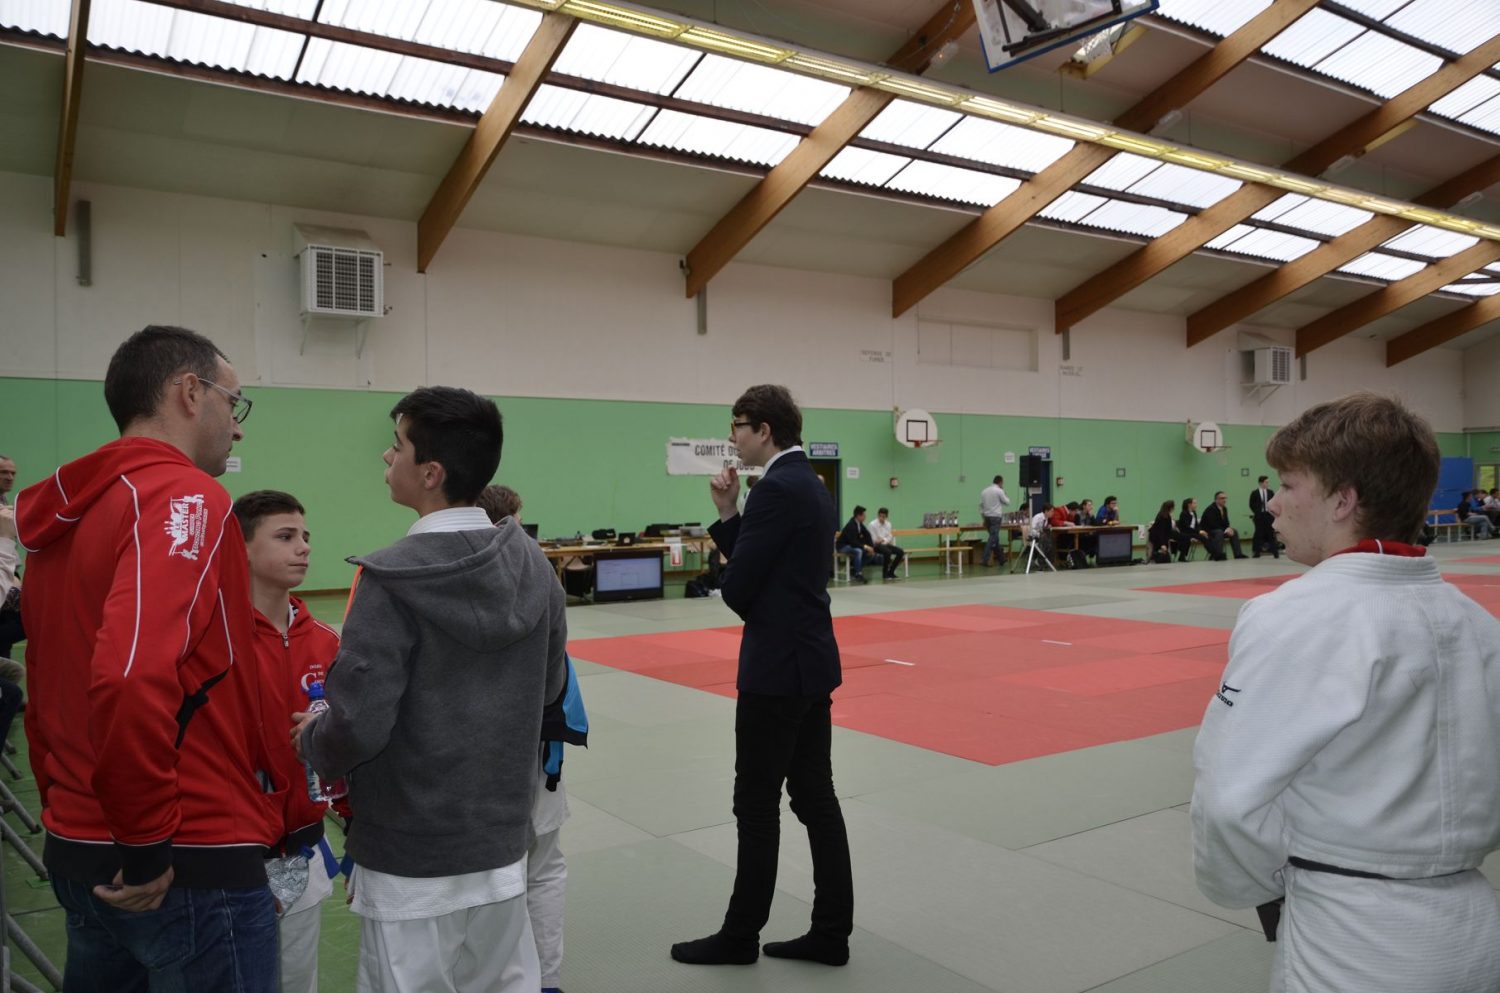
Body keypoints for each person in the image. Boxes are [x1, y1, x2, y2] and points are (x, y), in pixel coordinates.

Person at [1193, 393, 1500, 993]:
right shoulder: (1478, 624)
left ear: (1343, 501)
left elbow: (1228, 802)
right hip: (1474, 928)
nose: (1273, 503)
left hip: (1353, 936)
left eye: (1288, 485)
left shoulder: (1293, 616)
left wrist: (1256, 890)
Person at [15, 325, 281, 992]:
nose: (237, 426)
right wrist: (143, 842)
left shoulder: (64, 516)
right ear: (190, 392)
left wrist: (72, 816)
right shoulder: (183, 496)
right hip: (179, 854)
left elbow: (47, 686)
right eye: (234, 403)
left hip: (80, 842)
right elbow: (131, 676)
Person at [294, 386, 566, 993]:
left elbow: (359, 724)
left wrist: (314, 739)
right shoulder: (535, 567)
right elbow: (550, 688)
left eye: (397, 446)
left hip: (410, 857)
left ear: (431, 472)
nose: (386, 457)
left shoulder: (389, 579)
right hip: (501, 845)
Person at [672, 385, 853, 968]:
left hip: (776, 670)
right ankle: (831, 932)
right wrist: (730, 514)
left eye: (738, 426)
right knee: (815, 798)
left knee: (756, 804)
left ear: (765, 430)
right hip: (810, 661)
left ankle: (740, 934)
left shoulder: (775, 488)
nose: (732, 438)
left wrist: (733, 524)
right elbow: (769, 569)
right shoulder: (813, 484)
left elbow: (740, 587)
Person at [233, 490, 342, 993]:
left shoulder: (325, 641)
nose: (303, 547)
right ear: (241, 548)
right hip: (232, 855)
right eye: (284, 536)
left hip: (303, 844)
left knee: (297, 978)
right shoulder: (216, 639)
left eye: (305, 536)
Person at [477, 483, 580, 993]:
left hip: (491, 749)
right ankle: (544, 979)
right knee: (539, 866)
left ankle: (519, 978)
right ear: (511, 522)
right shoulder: (539, 578)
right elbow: (555, 673)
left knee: (508, 872)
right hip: (537, 742)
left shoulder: (456, 578)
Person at [1200, 491, 1247, 560]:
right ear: (1216, 499)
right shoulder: (1211, 509)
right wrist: (1225, 530)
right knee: (1219, 532)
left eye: (1225, 498)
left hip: (1219, 529)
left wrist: (1228, 528)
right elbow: (1212, 524)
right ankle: (1218, 555)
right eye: (1222, 498)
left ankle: (1238, 554)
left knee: (1234, 531)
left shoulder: (1224, 508)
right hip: (1209, 531)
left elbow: (1226, 522)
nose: (1224, 500)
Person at [837, 505, 876, 584]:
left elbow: (867, 535)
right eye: (864, 515)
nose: (865, 517)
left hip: (851, 545)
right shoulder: (851, 525)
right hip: (842, 546)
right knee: (859, 551)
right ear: (858, 516)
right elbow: (853, 542)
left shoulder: (859, 524)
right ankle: (858, 574)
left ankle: (854, 570)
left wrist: (871, 547)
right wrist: (865, 546)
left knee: (871, 554)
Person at [978, 475, 1011, 567]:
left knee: (995, 538)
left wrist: (983, 519)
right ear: (1000, 482)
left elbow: (981, 506)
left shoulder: (984, 491)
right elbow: (1007, 502)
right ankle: (985, 559)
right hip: (996, 517)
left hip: (987, 517)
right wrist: (1005, 493)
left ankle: (1001, 559)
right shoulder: (999, 491)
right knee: (993, 538)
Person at [867, 507, 905, 581]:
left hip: (885, 544)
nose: (881, 518)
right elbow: (873, 539)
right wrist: (882, 540)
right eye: (880, 516)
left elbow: (889, 536)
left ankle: (891, 572)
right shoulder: (872, 524)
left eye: (883, 517)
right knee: (887, 552)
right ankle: (885, 574)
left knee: (900, 552)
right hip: (875, 545)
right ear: (878, 515)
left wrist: (883, 540)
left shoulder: (888, 524)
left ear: (886, 517)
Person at [1249, 475, 1279, 558]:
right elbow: (1251, 504)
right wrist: (1257, 512)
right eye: (1266, 482)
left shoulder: (1270, 492)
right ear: (1261, 483)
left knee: (1271, 533)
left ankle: (1275, 552)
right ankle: (1257, 552)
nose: (1268, 483)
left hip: (1268, 515)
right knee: (1258, 534)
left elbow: (1274, 502)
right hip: (1259, 516)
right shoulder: (1254, 493)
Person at [1176, 497, 1209, 562]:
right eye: (1194, 503)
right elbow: (1186, 527)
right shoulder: (1183, 514)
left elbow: (1196, 525)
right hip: (1186, 532)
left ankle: (1214, 552)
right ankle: (1215, 553)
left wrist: (1200, 530)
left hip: (1193, 532)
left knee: (1206, 536)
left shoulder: (1194, 513)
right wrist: (1199, 532)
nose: (1196, 505)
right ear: (1189, 505)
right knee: (1202, 538)